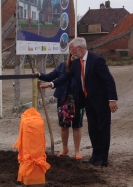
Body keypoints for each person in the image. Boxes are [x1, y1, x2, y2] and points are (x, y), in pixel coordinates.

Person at [39, 37, 118, 167]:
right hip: (88, 102)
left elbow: (108, 80)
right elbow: (65, 77)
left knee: (102, 129)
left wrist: (112, 99)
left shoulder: (97, 60)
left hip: (101, 101)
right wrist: (51, 84)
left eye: (72, 49)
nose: (71, 53)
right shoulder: (76, 63)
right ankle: (95, 156)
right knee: (92, 129)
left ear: (79, 48)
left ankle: (103, 158)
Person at [37, 44, 84, 160]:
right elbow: (50, 77)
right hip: (63, 99)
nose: (73, 56)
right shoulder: (63, 66)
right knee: (63, 125)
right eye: (72, 55)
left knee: (77, 126)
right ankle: (64, 148)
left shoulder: (83, 67)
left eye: (76, 55)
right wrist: (40, 75)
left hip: (78, 100)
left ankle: (77, 151)